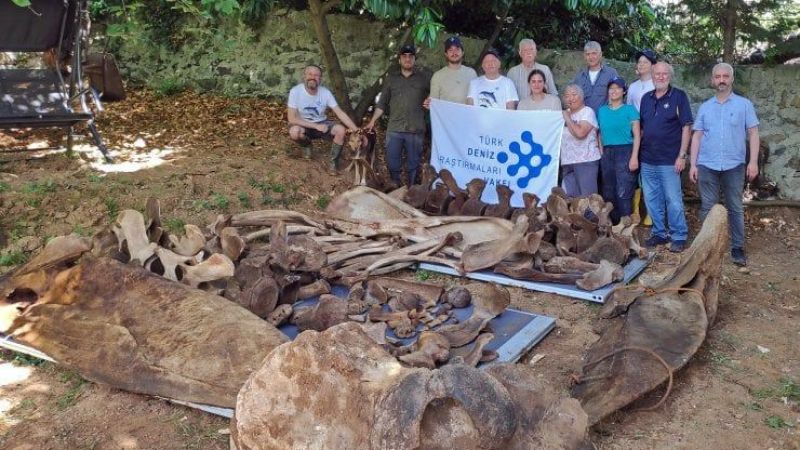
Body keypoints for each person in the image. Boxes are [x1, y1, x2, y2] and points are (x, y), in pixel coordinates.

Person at [689, 63, 760, 266]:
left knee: (735, 207)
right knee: (707, 207)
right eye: (718, 76)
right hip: (707, 164)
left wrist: (753, 162)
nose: (721, 80)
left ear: (731, 79)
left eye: (725, 76)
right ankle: (706, 246)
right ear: (712, 80)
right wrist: (693, 164)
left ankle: (737, 247)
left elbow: (753, 133)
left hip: (734, 165)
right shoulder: (705, 107)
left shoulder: (744, 105)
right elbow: (697, 137)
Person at [639, 62, 693, 253]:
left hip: (670, 160)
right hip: (647, 159)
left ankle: (679, 235)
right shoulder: (646, 98)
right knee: (652, 199)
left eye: (664, 74)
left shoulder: (679, 96)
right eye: (657, 74)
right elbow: (643, 129)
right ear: (652, 75)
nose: (660, 77)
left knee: (673, 200)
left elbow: (687, 127)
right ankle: (660, 233)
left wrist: (682, 156)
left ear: (669, 76)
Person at [365, 45, 431, 186]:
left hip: (415, 129)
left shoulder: (424, 79)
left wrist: (430, 99)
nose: (407, 59)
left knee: (413, 164)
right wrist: (372, 121)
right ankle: (396, 187)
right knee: (392, 162)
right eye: (404, 56)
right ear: (399, 59)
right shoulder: (391, 79)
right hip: (395, 128)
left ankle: (411, 190)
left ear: (414, 59)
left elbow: (435, 94)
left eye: (410, 56)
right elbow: (382, 103)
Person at [287, 64, 359, 173]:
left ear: (320, 78)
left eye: (316, 75)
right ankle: (306, 146)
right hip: (303, 124)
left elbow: (339, 113)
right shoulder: (295, 91)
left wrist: (357, 130)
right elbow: (291, 119)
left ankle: (333, 162)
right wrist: (315, 126)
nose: (313, 77)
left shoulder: (325, 93)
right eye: (310, 74)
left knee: (341, 130)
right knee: (294, 132)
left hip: (322, 123)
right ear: (304, 76)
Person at [597, 77, 640, 224]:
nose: (614, 91)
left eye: (618, 88)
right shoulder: (602, 111)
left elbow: (637, 135)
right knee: (608, 189)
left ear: (624, 91)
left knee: (624, 189)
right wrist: (601, 150)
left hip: (625, 151)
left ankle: (626, 226)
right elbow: (599, 133)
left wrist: (634, 157)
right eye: (611, 88)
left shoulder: (630, 110)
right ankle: (612, 226)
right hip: (607, 152)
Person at [626, 49, 657, 227]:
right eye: (639, 62)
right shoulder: (633, 87)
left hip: (653, 134)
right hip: (636, 133)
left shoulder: (657, 84)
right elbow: (630, 110)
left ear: (653, 64)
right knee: (635, 172)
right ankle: (636, 210)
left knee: (650, 173)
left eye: (646, 62)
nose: (642, 65)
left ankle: (651, 212)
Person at [560, 84, 600, 197]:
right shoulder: (563, 114)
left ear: (582, 97)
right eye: (567, 95)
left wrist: (567, 117)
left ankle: (591, 216)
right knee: (571, 198)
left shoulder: (587, 112)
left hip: (585, 161)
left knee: (587, 199)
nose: (570, 98)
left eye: (574, 94)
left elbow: (580, 133)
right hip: (568, 162)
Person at [425, 36, 477, 105]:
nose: (454, 53)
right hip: (445, 115)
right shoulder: (437, 76)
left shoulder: (472, 73)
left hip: (466, 115)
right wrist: (429, 104)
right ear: (446, 54)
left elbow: (477, 99)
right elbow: (433, 104)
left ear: (462, 52)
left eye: (457, 49)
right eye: (450, 50)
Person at [571, 41, 619, 114]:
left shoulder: (611, 73)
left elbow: (619, 97)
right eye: (588, 54)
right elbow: (574, 99)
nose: (591, 57)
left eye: (594, 53)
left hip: (605, 119)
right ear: (584, 56)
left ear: (600, 54)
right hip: (585, 121)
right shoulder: (579, 76)